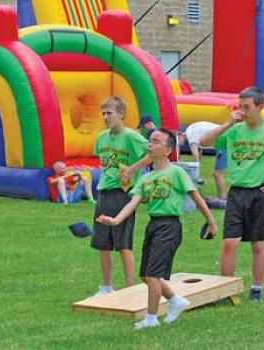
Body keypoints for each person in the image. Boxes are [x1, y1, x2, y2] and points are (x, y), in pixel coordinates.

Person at [97, 128, 218, 330]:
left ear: (168, 150)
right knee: (145, 275)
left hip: (169, 226)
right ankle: (175, 300)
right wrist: (116, 220)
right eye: (150, 141)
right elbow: (132, 203)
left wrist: (211, 222)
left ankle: (151, 319)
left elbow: (197, 198)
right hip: (153, 225)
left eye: (156, 141)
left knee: (153, 275)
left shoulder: (176, 172)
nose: (150, 145)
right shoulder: (145, 178)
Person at [199, 86, 264, 302]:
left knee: (258, 243)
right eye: (240, 106)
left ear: (260, 107)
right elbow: (203, 142)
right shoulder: (234, 130)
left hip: (262, 192)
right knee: (230, 242)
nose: (243, 111)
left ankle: (257, 288)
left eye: (247, 107)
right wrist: (228, 123)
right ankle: (225, 290)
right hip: (237, 192)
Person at [91, 96, 148, 297]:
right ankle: (106, 287)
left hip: (123, 195)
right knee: (102, 243)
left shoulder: (132, 137)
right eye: (103, 113)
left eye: (110, 113)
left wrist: (132, 169)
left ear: (121, 114)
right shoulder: (102, 137)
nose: (106, 117)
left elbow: (152, 153)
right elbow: (105, 164)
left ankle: (130, 289)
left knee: (123, 245)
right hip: (104, 193)